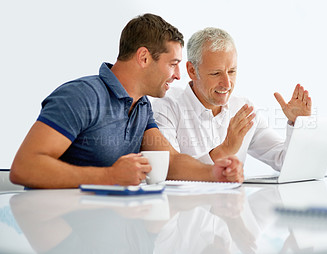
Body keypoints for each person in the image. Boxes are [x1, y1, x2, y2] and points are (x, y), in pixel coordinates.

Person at [10, 15, 243, 189]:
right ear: (143, 57)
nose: (178, 75)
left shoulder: (142, 106)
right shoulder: (80, 96)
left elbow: (169, 161)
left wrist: (213, 173)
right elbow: (24, 167)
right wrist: (109, 177)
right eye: (172, 64)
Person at [152, 27, 311, 171]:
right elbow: (167, 170)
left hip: (232, 202)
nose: (227, 84)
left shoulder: (243, 108)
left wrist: (298, 124)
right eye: (216, 73)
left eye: (232, 71)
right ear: (192, 71)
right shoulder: (166, 106)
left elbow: (285, 162)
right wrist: (225, 150)